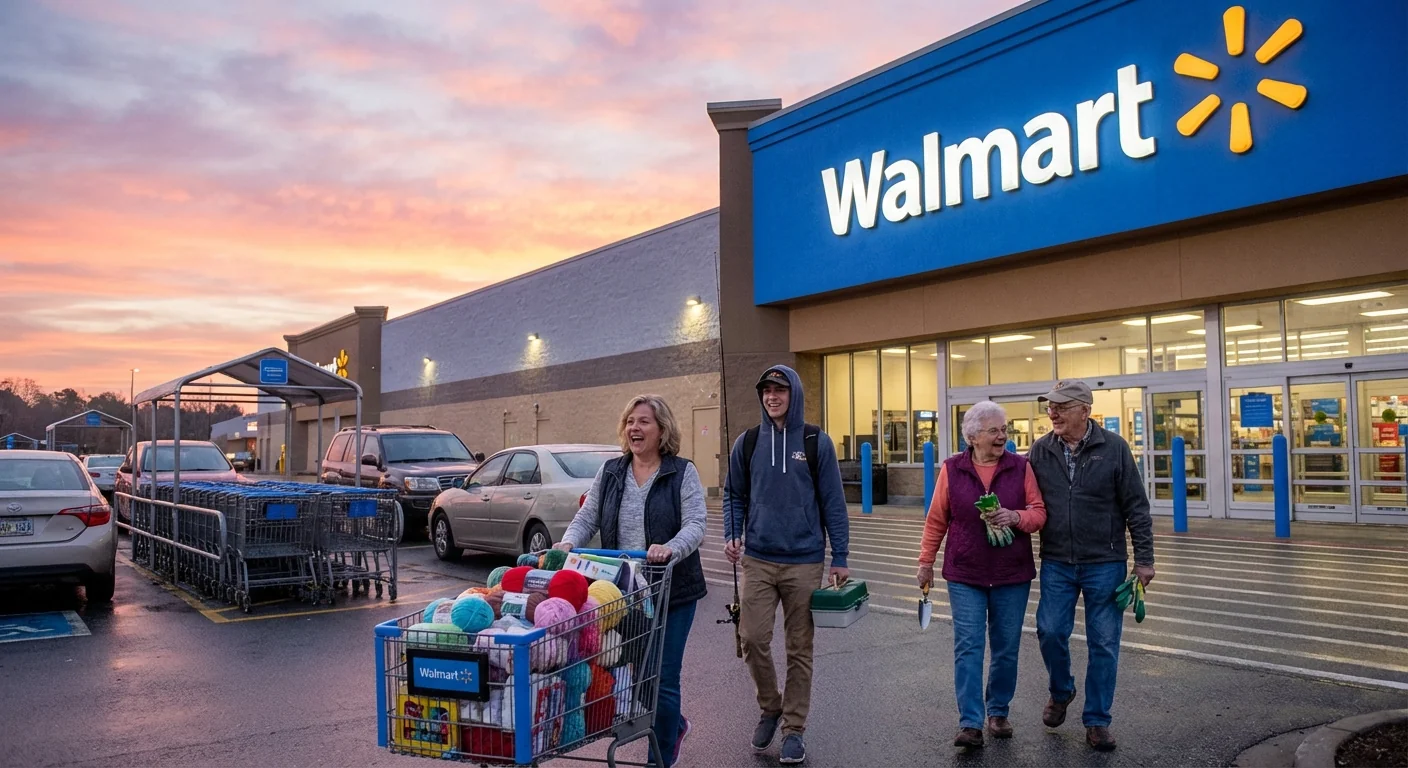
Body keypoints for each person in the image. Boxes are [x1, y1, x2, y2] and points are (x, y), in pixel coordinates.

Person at [555, 394, 707, 768]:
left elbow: (696, 524)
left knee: (663, 678)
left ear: (662, 429)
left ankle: (661, 757)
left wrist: (670, 548)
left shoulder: (681, 472)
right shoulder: (611, 472)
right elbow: (588, 516)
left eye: (643, 421)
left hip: (672, 590)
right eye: (630, 422)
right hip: (626, 593)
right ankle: (675, 724)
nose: (634, 428)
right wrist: (568, 542)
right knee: (638, 676)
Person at [723, 365, 849, 766]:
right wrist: (732, 532)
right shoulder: (747, 442)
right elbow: (733, 495)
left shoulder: (815, 442)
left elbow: (833, 501)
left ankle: (794, 728)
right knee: (752, 638)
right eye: (766, 390)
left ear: (794, 393)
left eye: (780, 390)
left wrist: (840, 556)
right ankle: (770, 706)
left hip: (804, 562)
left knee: (799, 649)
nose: (772, 396)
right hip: (758, 558)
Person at [1029, 380, 1155, 752]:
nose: (1053, 413)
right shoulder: (1040, 450)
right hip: (1057, 560)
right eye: (1050, 407)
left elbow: (1136, 506)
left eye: (1061, 407)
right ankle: (1061, 690)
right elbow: (1025, 500)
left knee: (1104, 643)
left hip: (1105, 562)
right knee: (1050, 630)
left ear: (1085, 410)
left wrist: (1144, 560)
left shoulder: (1114, 448)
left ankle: (1098, 721)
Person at [915, 401, 1047, 749]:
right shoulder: (952, 469)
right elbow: (936, 519)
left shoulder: (1021, 467)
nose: (1002, 436)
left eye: (1004, 429)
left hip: (1011, 574)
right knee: (968, 646)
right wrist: (925, 562)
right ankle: (970, 722)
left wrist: (1015, 517)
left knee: (1006, 648)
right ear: (972, 437)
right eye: (993, 431)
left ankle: (998, 712)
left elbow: (1038, 513)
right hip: (965, 573)